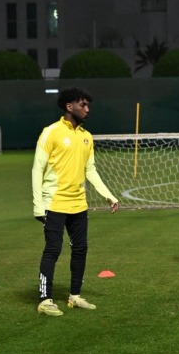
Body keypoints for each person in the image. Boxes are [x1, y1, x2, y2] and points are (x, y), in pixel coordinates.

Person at [32, 88, 120, 316]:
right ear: (69, 106)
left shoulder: (86, 136)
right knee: (53, 249)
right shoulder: (50, 132)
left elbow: (90, 169)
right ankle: (45, 300)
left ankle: (75, 296)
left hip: (79, 204)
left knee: (80, 249)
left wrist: (108, 194)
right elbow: (37, 169)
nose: (87, 109)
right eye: (83, 105)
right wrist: (37, 205)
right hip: (54, 203)